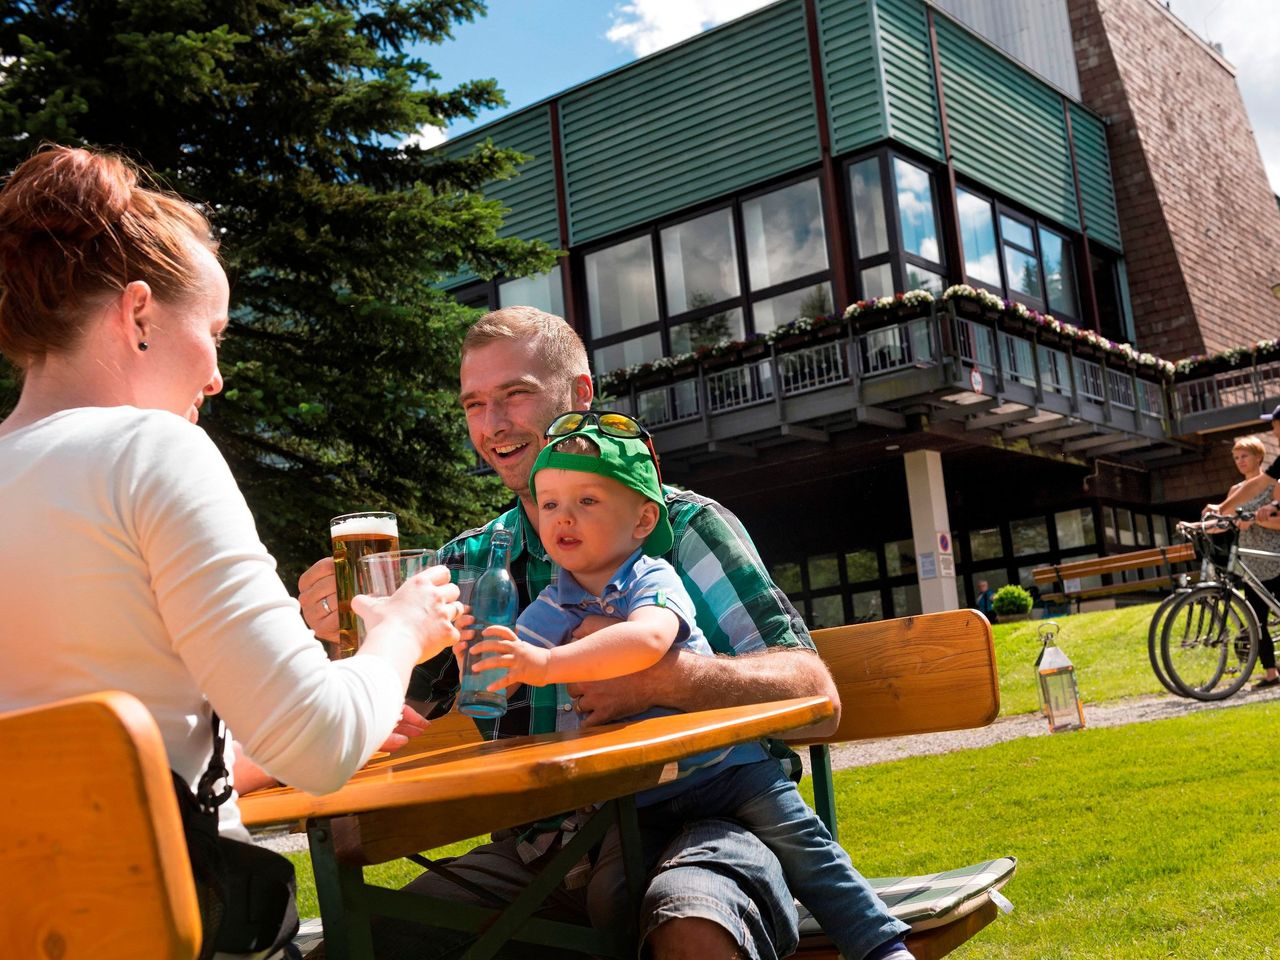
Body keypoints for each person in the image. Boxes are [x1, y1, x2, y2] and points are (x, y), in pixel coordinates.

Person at [0, 146, 464, 957]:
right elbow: (319, 745)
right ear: (138, 314)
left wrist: (247, 751)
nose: (217, 374)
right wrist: (399, 630)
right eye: (212, 332)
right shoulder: (149, 450)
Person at [299, 306, 842, 960]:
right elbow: (383, 698)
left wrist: (672, 678)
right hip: (542, 855)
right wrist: (342, 636)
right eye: (475, 404)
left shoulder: (679, 526)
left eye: (516, 395)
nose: (494, 425)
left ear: (580, 395)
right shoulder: (474, 562)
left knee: (693, 927)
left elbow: (816, 695)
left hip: (704, 822)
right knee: (355, 948)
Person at [463, 417, 912, 960]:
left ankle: (883, 948)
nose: (563, 519)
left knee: (811, 856)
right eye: (551, 504)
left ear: (642, 519)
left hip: (730, 770)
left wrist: (543, 663)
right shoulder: (555, 603)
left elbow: (648, 640)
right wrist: (494, 659)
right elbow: (512, 653)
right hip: (641, 795)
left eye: (587, 501)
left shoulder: (650, 575)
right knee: (611, 896)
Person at [1194, 435, 1280, 689]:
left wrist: (1256, 520)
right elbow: (1223, 523)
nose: (1240, 461)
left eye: (1245, 456)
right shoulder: (1235, 492)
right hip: (1250, 562)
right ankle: (1271, 673)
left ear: (1258, 457)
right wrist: (1198, 527)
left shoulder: (1274, 485)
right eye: (1236, 458)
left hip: (1275, 557)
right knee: (1257, 619)